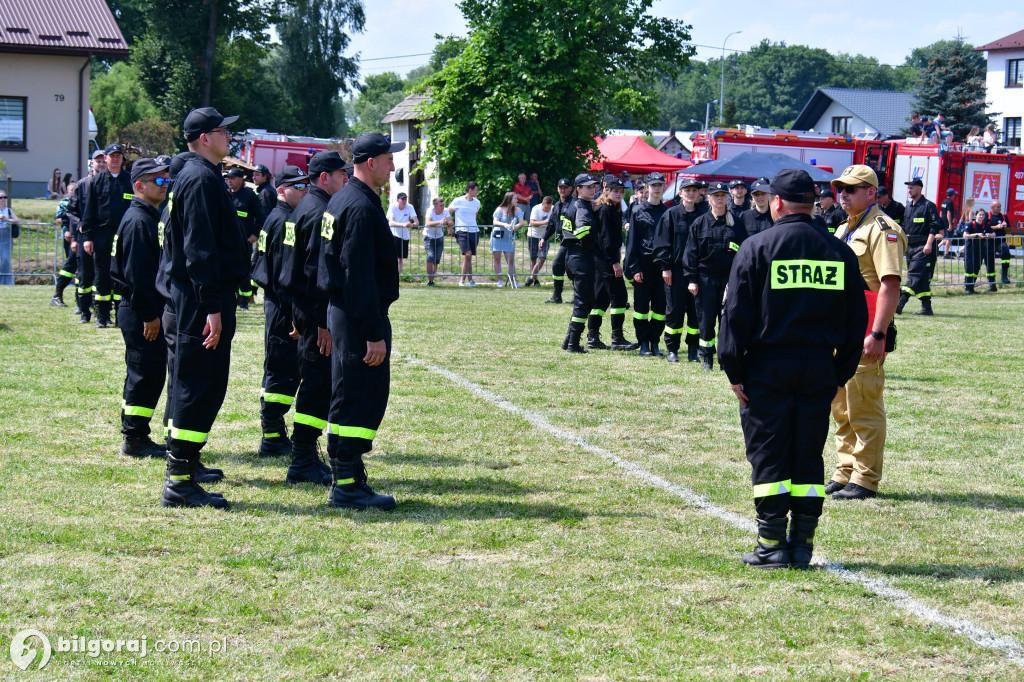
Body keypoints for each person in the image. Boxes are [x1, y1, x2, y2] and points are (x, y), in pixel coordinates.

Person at [719, 168, 867, 569]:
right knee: (807, 455)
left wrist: (734, 370)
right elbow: (858, 322)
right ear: (814, 202)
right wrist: (840, 373)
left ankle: (770, 544)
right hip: (820, 366)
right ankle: (801, 545)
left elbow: (734, 315)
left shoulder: (757, 246)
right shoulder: (839, 251)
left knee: (769, 453)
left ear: (778, 203)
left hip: (768, 367)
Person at [160, 106, 249, 510]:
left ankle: (188, 466)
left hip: (200, 296)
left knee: (203, 382)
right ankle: (179, 481)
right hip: (200, 299)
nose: (228, 137)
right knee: (198, 383)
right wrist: (212, 304)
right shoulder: (198, 178)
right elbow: (198, 249)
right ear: (204, 139)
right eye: (222, 131)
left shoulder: (201, 175)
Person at [317, 131, 404, 510]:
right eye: (388, 159)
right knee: (360, 394)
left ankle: (349, 474)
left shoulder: (344, 199)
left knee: (348, 390)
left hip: (344, 311)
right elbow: (357, 276)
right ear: (371, 162)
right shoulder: (359, 206)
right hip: (357, 315)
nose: (393, 166)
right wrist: (372, 332)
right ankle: (347, 485)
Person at [828, 164, 907, 500]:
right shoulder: (844, 228)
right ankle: (845, 471)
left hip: (866, 330)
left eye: (851, 189)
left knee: (864, 405)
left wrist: (878, 334)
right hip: (840, 331)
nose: (843, 194)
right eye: (840, 189)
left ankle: (865, 478)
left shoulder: (882, 229)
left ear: (871, 193)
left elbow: (890, 285)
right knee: (841, 406)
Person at [278, 151, 351, 486]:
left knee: (314, 381)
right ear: (324, 178)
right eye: (340, 174)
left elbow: (291, 270)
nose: (346, 179)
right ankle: (303, 459)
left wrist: (298, 313)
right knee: (317, 386)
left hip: (304, 309)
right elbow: (317, 273)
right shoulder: (320, 210)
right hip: (316, 313)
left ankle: (305, 456)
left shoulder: (303, 208)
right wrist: (321, 321)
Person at [110, 157, 171, 459]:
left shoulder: (148, 216)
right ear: (139, 186)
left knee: (147, 371)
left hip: (143, 308)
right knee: (143, 373)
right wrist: (150, 314)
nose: (165, 185)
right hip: (140, 311)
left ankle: (137, 433)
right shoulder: (138, 221)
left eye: (166, 179)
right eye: (158, 181)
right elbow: (138, 275)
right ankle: (134, 439)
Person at [251, 165, 309, 458]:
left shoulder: (277, 217)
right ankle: (272, 435)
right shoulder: (284, 221)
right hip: (282, 304)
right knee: (281, 368)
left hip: (276, 301)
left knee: (281, 367)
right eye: (298, 186)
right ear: (282, 189)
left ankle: (274, 432)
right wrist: (295, 315)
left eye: (306, 185)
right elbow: (285, 274)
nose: (305, 190)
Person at [684, 181, 748, 371]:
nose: (719, 199)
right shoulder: (700, 223)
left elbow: (743, 251)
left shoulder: (736, 222)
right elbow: (691, 253)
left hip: (729, 280)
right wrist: (692, 279)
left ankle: (724, 357)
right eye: (716, 195)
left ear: (727, 197)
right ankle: (707, 358)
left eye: (722, 195)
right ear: (709, 198)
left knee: (727, 320)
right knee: (706, 320)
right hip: (706, 279)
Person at [82, 143, 133, 328]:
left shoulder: (130, 181)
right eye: (112, 155)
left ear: (122, 158)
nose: (115, 158)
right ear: (105, 158)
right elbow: (88, 211)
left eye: (118, 155)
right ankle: (102, 316)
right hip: (102, 235)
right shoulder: (97, 181)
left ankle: (122, 314)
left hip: (124, 235)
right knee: (102, 275)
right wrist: (87, 236)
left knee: (123, 275)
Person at [653, 177, 704, 362]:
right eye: (687, 190)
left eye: (694, 190)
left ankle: (692, 349)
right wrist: (665, 267)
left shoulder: (704, 215)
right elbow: (661, 243)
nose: (691, 193)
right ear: (680, 193)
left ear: (699, 193)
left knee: (695, 312)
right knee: (674, 310)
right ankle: (672, 349)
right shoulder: (671, 214)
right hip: (675, 271)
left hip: (697, 271)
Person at [623, 173, 669, 356]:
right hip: (643, 265)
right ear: (647, 188)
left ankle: (655, 342)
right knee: (641, 308)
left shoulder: (668, 212)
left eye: (660, 185)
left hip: (661, 267)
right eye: (653, 185)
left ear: (663, 187)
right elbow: (631, 242)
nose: (657, 188)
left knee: (660, 308)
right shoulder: (637, 211)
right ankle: (643, 343)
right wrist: (634, 268)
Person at [589, 177, 636, 351]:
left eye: (621, 191)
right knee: (620, 297)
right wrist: (615, 263)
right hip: (606, 259)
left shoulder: (609, 209)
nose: (619, 194)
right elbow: (607, 240)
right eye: (615, 191)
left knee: (601, 299)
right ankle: (617, 339)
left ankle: (592, 337)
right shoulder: (606, 210)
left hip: (603, 259)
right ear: (607, 191)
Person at [557, 174, 601, 353]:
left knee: (582, 301)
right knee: (585, 302)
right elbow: (582, 231)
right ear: (578, 189)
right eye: (588, 187)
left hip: (572, 255)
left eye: (593, 187)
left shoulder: (571, 204)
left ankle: (568, 340)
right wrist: (591, 245)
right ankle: (573, 343)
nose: (592, 189)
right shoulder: (581, 206)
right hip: (581, 256)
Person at [68, 150, 106, 317]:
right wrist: (79, 227)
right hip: (86, 235)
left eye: (103, 160)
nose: (101, 163)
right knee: (85, 273)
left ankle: (102, 311)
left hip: (103, 235)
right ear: (92, 163)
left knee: (104, 274)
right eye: (97, 161)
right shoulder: (82, 184)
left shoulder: (111, 184)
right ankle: (83, 309)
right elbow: (71, 211)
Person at [896, 178, 941, 316]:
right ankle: (927, 308)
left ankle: (900, 302)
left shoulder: (928, 206)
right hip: (910, 245)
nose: (909, 190)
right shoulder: (909, 206)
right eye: (908, 188)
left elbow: (935, 225)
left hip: (923, 245)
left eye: (912, 187)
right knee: (920, 278)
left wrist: (928, 244)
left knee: (914, 274)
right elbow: (905, 226)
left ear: (920, 189)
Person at [225, 167, 263, 309]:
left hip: (244, 241)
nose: (229, 180)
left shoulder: (249, 195)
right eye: (228, 178)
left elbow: (261, 216)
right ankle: (230, 299)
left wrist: (255, 234)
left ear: (241, 179)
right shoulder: (225, 195)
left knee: (243, 271)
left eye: (233, 178)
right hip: (227, 240)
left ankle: (243, 301)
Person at [539, 178, 574, 302]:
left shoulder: (575, 204)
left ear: (571, 188)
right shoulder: (557, 205)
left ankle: (573, 296)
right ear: (558, 189)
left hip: (574, 242)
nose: (563, 189)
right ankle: (557, 295)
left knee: (569, 268)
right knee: (560, 266)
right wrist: (544, 238)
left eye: (565, 187)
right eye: (561, 187)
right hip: (564, 242)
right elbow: (552, 224)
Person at [447, 181, 481, 286]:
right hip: (462, 231)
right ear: (470, 190)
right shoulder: (458, 201)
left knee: (469, 256)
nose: (477, 192)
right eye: (476, 190)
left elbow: (475, 215)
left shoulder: (477, 202)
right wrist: (449, 226)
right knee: (468, 254)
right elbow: (447, 212)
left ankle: (470, 280)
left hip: (474, 231)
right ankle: (462, 280)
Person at [490, 191, 522, 288]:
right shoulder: (500, 209)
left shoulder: (517, 209)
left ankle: (514, 280)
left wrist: (517, 226)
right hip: (498, 236)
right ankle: (499, 280)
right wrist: (504, 224)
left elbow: (522, 222)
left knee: (511, 259)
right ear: (509, 199)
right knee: (497, 258)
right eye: (515, 198)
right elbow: (495, 221)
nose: (517, 200)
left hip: (508, 238)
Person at [963, 208, 996, 293]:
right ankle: (968, 288)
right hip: (970, 250)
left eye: (983, 215)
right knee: (969, 269)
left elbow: (994, 234)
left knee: (976, 269)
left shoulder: (985, 225)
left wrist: (989, 234)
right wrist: (976, 234)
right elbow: (965, 235)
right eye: (980, 214)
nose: (981, 216)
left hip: (980, 250)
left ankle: (972, 287)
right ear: (976, 215)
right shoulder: (971, 224)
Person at [388, 192, 418, 275]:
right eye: (402, 199)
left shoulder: (410, 207)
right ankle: (392, 275)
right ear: (398, 200)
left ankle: (398, 276)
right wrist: (403, 224)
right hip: (394, 235)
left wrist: (411, 224)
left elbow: (417, 222)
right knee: (394, 258)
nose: (404, 201)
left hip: (404, 236)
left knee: (400, 259)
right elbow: (391, 222)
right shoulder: (393, 207)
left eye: (405, 199)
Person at [423, 196, 451, 286]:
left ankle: (432, 280)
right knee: (430, 258)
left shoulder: (446, 211)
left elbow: (451, 222)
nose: (443, 207)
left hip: (439, 237)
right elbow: (428, 223)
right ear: (435, 206)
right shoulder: (430, 211)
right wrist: (439, 222)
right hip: (428, 236)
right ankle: (430, 281)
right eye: (441, 205)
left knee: (436, 260)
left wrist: (446, 223)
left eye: (443, 205)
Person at [526, 195, 553, 286]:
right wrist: (545, 222)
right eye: (546, 208)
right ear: (542, 204)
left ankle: (531, 278)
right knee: (533, 258)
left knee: (542, 258)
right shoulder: (536, 209)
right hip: (533, 235)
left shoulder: (553, 209)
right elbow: (532, 222)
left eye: (549, 208)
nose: (548, 209)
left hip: (544, 236)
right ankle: (535, 279)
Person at [988, 200, 1012, 285]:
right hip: (989, 242)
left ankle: (1004, 276)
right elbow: (985, 228)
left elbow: (1010, 230)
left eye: (1000, 206)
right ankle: (991, 282)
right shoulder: (987, 215)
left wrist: (1005, 227)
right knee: (990, 261)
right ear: (992, 207)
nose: (1000, 208)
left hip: (1000, 241)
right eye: (998, 207)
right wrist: (996, 227)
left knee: (1006, 254)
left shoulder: (1004, 216)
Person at [0, 191, 21, 285]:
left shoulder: (8, 210)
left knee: (5, 258)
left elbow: (17, 220)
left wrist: (7, 220)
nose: (3, 199)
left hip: (6, 235)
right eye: (0, 198)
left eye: (4, 197)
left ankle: (5, 281)